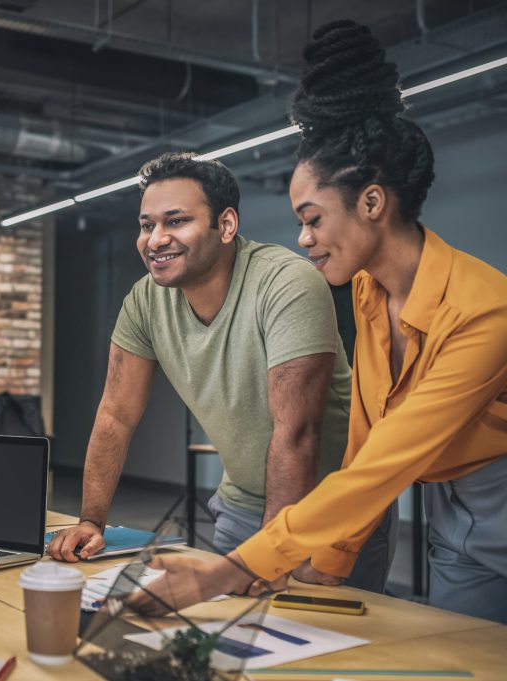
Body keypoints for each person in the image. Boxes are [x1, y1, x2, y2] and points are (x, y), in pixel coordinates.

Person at [141, 20, 507, 624]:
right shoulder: (367, 292)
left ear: (371, 203)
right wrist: (326, 564)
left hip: (495, 500)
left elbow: (389, 461)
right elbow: (364, 439)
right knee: (459, 651)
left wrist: (238, 566)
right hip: (452, 518)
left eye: (312, 219)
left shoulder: (484, 311)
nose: (303, 239)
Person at [47, 152, 396, 592]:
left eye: (175, 221)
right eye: (146, 224)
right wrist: (91, 521)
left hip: (329, 513)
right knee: (227, 646)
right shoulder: (144, 300)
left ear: (226, 225)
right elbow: (116, 413)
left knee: (334, 652)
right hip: (239, 507)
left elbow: (297, 431)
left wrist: (270, 555)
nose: (155, 239)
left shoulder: (287, 283)